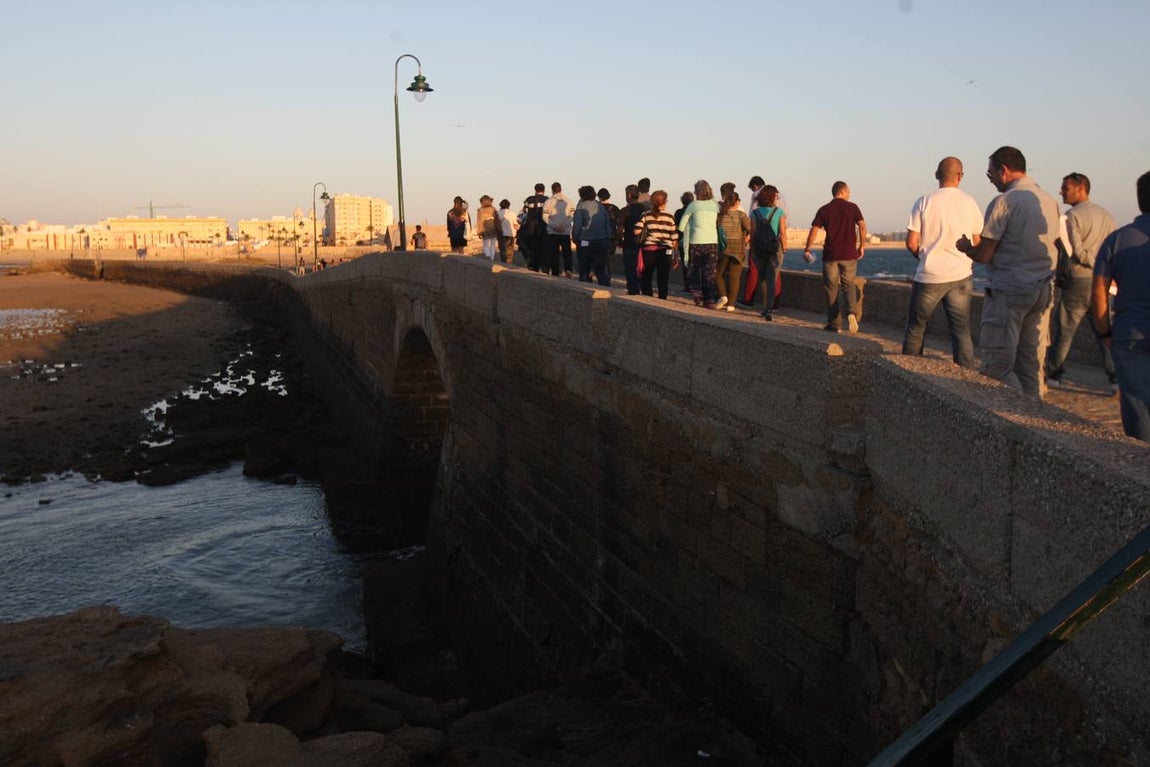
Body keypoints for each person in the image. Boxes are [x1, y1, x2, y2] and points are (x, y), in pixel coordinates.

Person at [957, 146, 1060, 398]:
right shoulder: (1049, 200)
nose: (990, 178)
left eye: (990, 173)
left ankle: (1011, 418)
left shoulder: (1004, 202)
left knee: (997, 367)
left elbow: (985, 254)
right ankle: (1035, 418)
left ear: (1003, 170)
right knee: (1030, 365)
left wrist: (966, 248)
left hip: (1009, 290)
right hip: (1042, 289)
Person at [901, 157, 984, 367]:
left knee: (916, 328)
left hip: (929, 275)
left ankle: (909, 372)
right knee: (961, 331)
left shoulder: (924, 201)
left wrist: (924, 257)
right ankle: (966, 381)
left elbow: (911, 242)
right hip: (961, 275)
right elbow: (977, 243)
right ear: (960, 177)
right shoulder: (970, 202)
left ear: (937, 175)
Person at [1091, 171, 1150, 441]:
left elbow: (1099, 291)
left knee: (1137, 409)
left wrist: (1104, 331)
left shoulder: (1117, 240)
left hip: (1129, 334)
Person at [1047, 172, 1117, 389]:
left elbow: (1075, 251)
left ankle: (1054, 375)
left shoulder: (1070, 217)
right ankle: (1116, 378)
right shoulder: (1107, 216)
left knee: (1064, 331)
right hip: (1103, 284)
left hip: (1079, 280)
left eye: (1065, 188)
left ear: (1081, 188)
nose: (1061, 192)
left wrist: (1093, 265)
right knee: (1104, 331)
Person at [805, 181, 866, 333]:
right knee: (849, 285)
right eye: (849, 191)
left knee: (831, 289)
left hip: (831, 255)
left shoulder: (824, 210)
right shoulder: (852, 207)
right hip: (849, 254)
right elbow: (862, 226)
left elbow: (814, 230)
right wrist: (862, 245)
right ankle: (851, 313)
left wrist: (808, 248)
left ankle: (834, 324)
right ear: (843, 191)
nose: (850, 194)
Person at [739, 176, 790, 308]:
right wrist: (784, 247)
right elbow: (783, 230)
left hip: (759, 245)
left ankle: (751, 300)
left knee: (756, 272)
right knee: (775, 273)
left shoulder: (756, 208)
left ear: (756, 187)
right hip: (775, 244)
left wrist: (750, 242)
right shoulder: (780, 205)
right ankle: (774, 305)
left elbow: (753, 229)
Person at [679, 180, 721, 309]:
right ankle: (710, 300)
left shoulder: (693, 205)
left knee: (695, 270)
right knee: (709, 272)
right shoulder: (715, 205)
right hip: (712, 242)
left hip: (696, 242)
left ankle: (697, 294)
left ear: (697, 192)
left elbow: (682, 225)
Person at [749, 185, 787, 321]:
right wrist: (785, 248)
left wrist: (752, 247)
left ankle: (765, 307)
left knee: (763, 278)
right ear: (772, 197)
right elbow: (782, 233)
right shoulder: (779, 212)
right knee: (773, 278)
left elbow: (753, 234)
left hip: (759, 249)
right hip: (774, 249)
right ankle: (770, 309)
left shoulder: (755, 213)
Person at [634, 190, 679, 299]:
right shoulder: (670, 216)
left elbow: (636, 231)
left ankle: (648, 298)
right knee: (663, 278)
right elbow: (674, 239)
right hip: (665, 251)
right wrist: (676, 257)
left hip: (649, 250)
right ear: (665, 202)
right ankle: (662, 300)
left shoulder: (645, 215)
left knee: (647, 277)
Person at [715, 188, 750, 311]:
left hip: (724, 249)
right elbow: (750, 228)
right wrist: (746, 237)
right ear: (737, 202)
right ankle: (731, 304)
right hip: (737, 250)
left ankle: (723, 295)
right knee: (735, 277)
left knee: (718, 274)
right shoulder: (742, 215)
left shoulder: (720, 216)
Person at [571, 185, 612, 286]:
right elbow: (607, 225)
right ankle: (605, 289)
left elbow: (577, 226)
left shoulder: (581, 207)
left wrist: (575, 238)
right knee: (600, 270)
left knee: (584, 269)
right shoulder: (600, 207)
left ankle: (585, 289)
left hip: (585, 241)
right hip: (601, 241)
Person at [618, 184, 652, 295]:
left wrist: (619, 241)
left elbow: (620, 229)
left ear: (628, 195)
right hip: (643, 245)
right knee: (643, 271)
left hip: (629, 243)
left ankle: (633, 291)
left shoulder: (625, 211)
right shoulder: (645, 210)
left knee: (630, 270)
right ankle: (646, 292)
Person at [543, 182, 574, 277]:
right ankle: (568, 269)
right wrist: (563, 226)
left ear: (552, 190)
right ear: (561, 189)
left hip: (553, 232)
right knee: (567, 253)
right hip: (565, 232)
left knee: (554, 253)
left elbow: (545, 216)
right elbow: (571, 216)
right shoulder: (569, 201)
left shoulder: (548, 201)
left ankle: (555, 271)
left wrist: (555, 226)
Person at [519, 183, 548, 271]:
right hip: (544, 227)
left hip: (530, 228)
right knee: (544, 247)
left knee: (521, 240)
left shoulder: (528, 200)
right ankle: (544, 265)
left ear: (535, 190)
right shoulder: (547, 200)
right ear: (544, 190)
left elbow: (522, 215)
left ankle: (530, 260)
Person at [673, 192, 694, 293]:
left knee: (685, 263)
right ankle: (695, 286)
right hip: (694, 240)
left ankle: (688, 286)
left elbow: (676, 228)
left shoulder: (678, 213)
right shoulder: (695, 212)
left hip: (682, 241)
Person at [475, 195, 500, 260]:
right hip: (493, 229)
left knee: (485, 245)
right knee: (492, 245)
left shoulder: (480, 210)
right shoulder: (493, 209)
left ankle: (488, 256)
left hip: (484, 230)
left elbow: (479, 221)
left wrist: (479, 232)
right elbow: (497, 220)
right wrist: (499, 229)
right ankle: (492, 258)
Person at [597, 188, 620, 258]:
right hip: (612, 236)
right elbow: (619, 223)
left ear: (599, 197)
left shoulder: (597, 208)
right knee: (610, 258)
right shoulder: (615, 208)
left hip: (599, 236)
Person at [496, 199, 518, 264]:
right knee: (510, 251)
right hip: (511, 234)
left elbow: (495, 224)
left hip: (501, 234)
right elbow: (515, 225)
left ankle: (504, 263)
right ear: (509, 206)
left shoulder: (497, 214)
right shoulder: (512, 214)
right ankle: (509, 263)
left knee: (503, 250)